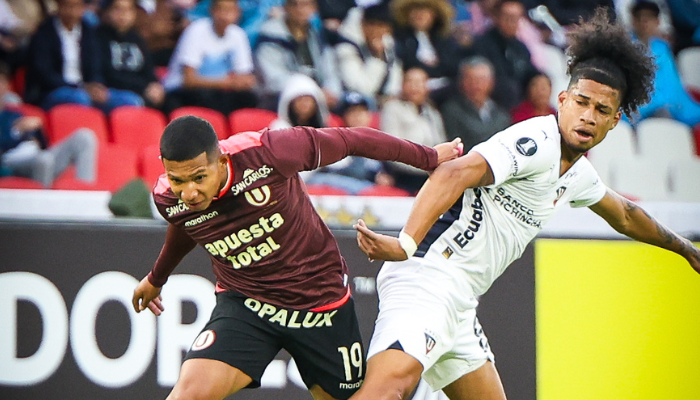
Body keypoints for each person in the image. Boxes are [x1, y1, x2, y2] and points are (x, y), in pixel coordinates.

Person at [350, 8, 700, 400]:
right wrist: (406, 244)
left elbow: (626, 214)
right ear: (563, 99)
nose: (587, 116)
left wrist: (685, 248)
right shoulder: (536, 141)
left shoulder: (576, 172)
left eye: (601, 110)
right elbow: (451, 172)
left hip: (459, 299)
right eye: (581, 102)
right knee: (387, 390)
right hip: (428, 278)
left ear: (615, 120)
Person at [131, 115, 463, 400]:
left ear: (220, 162)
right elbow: (187, 222)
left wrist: (428, 157)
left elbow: (353, 139)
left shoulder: (269, 152)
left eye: (198, 178)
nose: (188, 193)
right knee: (188, 394)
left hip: (319, 306)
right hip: (247, 306)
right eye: (178, 180)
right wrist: (156, 278)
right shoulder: (167, 198)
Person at [24, 0, 143, 111]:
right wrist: (78, 87)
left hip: (86, 89)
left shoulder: (88, 31)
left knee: (131, 101)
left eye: (77, 6)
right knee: (80, 98)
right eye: (69, 6)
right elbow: (44, 73)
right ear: (59, 6)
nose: (72, 12)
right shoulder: (44, 33)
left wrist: (96, 85)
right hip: (53, 91)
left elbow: (96, 65)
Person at [0, 62, 97, 187]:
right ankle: (43, 204)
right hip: (12, 163)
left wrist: (37, 132)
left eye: (2, 81)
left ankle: (85, 193)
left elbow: (44, 145)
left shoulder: (14, 113)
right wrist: (16, 131)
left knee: (84, 137)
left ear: (7, 86)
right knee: (44, 160)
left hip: (37, 155)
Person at [162, 0, 257, 115]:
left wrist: (243, 82)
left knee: (249, 98)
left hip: (217, 93)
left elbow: (244, 77)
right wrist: (227, 83)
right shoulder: (196, 30)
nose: (225, 15)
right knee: (206, 97)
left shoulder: (238, 35)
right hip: (181, 91)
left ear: (238, 13)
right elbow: (189, 80)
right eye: (221, 10)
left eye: (230, 10)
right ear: (212, 11)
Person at [254, 0, 343, 110]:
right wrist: (311, 92)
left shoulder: (318, 35)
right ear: (285, 7)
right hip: (281, 98)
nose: (299, 9)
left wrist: (331, 91)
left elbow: (330, 70)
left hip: (317, 97)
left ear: (314, 8)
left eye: (305, 5)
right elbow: (273, 80)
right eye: (294, 4)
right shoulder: (270, 35)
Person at [627, 0, 700, 126]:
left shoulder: (662, 48)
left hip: (668, 109)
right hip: (638, 111)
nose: (644, 23)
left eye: (648, 19)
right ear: (633, 21)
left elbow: (672, 85)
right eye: (640, 18)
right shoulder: (624, 48)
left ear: (657, 22)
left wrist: (667, 105)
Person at [381, 66, 447, 194]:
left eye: (420, 82)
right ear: (403, 85)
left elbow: (441, 143)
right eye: (410, 82)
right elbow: (391, 147)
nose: (415, 87)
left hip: (431, 173)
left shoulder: (432, 112)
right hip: (403, 174)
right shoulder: (392, 108)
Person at [96, 0, 165, 109]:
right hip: (111, 91)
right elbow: (108, 75)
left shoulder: (137, 39)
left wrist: (154, 85)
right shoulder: (98, 38)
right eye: (117, 9)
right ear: (107, 11)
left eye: (128, 10)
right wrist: (143, 87)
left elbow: (148, 71)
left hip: (139, 91)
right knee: (132, 101)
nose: (123, 14)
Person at [472, 0, 539, 110]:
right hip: (495, 103)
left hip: (521, 102)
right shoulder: (482, 44)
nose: (512, 22)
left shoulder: (520, 47)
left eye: (516, 18)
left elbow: (530, 73)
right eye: (508, 17)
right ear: (496, 18)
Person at [440, 56, 511, 153]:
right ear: (461, 82)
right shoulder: (452, 110)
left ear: (491, 82)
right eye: (470, 79)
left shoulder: (501, 114)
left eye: (481, 79)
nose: (476, 84)